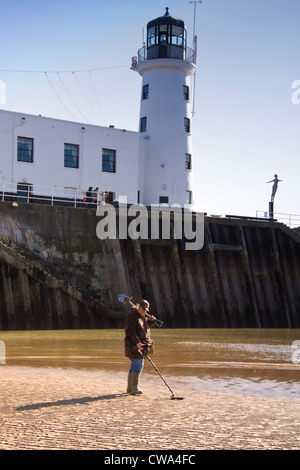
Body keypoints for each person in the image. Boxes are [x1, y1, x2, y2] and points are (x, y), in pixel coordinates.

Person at [124, 299, 156, 395]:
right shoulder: (131, 316)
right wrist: (138, 343)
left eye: (146, 311)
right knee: (138, 366)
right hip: (133, 345)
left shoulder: (141, 316)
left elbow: (143, 329)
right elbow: (130, 331)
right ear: (139, 307)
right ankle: (134, 388)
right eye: (144, 310)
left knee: (134, 366)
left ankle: (130, 388)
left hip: (140, 345)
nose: (145, 312)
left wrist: (151, 322)